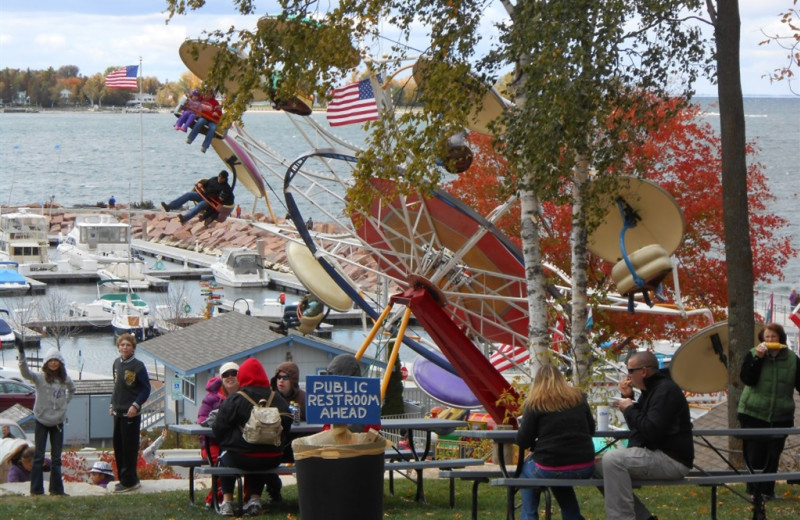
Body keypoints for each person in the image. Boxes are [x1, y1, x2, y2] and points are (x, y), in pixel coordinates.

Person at [595, 351, 693, 520]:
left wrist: (630, 408)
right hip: (657, 453)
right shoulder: (652, 390)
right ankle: (644, 518)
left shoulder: (665, 391)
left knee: (613, 460)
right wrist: (628, 398)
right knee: (597, 467)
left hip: (672, 459)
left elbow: (651, 431)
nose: (628, 376)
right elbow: (639, 428)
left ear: (644, 371)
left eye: (631, 371)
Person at [212, 358, 292, 517]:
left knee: (224, 458)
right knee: (261, 454)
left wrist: (231, 441)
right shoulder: (277, 398)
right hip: (273, 456)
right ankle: (255, 500)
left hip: (242, 456)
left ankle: (227, 502)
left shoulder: (237, 398)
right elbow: (288, 422)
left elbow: (219, 427)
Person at [515, 364, 596, 520]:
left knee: (527, 471)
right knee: (559, 475)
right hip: (585, 466)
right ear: (561, 379)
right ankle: (573, 517)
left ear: (537, 383)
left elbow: (523, 441)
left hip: (551, 465)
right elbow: (591, 430)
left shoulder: (536, 404)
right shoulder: (579, 398)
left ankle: (529, 516)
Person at [738, 322, 800, 499]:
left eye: (773, 337)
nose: (770, 340)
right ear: (762, 340)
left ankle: (767, 491)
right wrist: (758, 358)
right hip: (753, 412)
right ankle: (753, 492)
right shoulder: (752, 354)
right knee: (755, 454)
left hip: (781, 415)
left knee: (773, 455)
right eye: (767, 337)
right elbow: (747, 379)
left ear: (781, 338)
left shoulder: (792, 359)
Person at [19, 345, 75, 496]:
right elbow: (25, 373)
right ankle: (36, 490)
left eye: (56, 360)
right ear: (46, 363)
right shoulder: (39, 377)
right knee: (39, 456)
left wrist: (65, 404)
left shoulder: (65, 379)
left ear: (60, 362)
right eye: (51, 360)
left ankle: (56, 490)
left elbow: (72, 389)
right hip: (41, 421)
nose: (53, 363)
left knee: (56, 458)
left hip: (58, 422)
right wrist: (21, 353)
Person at [110, 333, 151, 493]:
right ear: (118, 347)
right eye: (122, 345)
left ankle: (130, 481)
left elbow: (146, 389)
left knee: (129, 448)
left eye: (128, 345)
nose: (125, 347)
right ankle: (123, 479)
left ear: (133, 348)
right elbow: (116, 386)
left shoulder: (138, 366)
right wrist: (112, 404)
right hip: (118, 412)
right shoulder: (116, 364)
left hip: (131, 414)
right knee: (118, 447)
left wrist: (136, 405)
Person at [198, 362, 240, 509]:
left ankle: (250, 500)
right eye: (226, 375)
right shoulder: (211, 398)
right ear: (221, 378)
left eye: (234, 373)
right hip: (212, 443)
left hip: (236, 443)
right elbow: (201, 420)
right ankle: (213, 499)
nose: (230, 377)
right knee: (221, 465)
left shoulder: (245, 396)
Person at [161, 170, 233, 225]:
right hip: (202, 195)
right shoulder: (214, 179)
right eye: (219, 176)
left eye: (222, 178)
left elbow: (224, 200)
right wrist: (200, 185)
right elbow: (205, 184)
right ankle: (170, 206)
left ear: (225, 179)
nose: (219, 179)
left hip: (209, 202)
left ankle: (185, 218)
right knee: (188, 195)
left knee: (200, 206)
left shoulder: (226, 188)